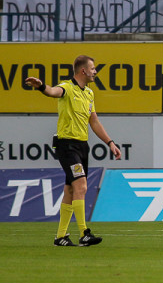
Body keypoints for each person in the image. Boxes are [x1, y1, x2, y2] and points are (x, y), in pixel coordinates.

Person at [24, 55, 122, 247]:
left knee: (70, 189)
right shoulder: (67, 88)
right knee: (82, 186)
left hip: (81, 146)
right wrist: (41, 86)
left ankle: (60, 237)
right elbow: (53, 92)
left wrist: (110, 142)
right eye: (93, 68)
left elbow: (94, 121)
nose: (95, 72)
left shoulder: (89, 93)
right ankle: (84, 233)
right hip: (67, 145)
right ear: (83, 71)